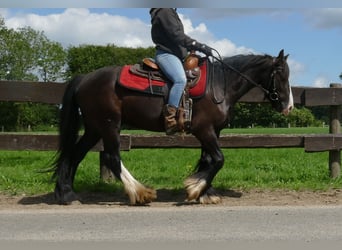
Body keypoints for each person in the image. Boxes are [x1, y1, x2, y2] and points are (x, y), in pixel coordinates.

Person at [150, 8, 213, 135]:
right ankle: (170, 120)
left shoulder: (168, 10)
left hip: (176, 56)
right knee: (180, 80)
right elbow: (176, 35)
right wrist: (197, 45)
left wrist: (191, 49)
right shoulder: (165, 11)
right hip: (166, 55)